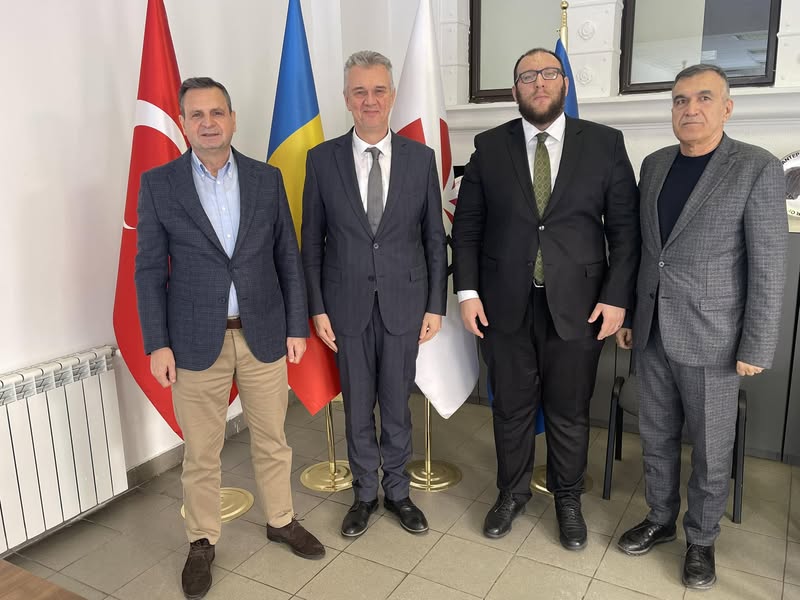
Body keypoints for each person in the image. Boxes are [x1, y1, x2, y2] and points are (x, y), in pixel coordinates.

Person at [135, 77, 324, 600]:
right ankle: (201, 540)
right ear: (182, 123)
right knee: (202, 451)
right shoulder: (160, 184)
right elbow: (148, 270)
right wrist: (157, 343)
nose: (208, 123)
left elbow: (287, 256)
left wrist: (296, 326)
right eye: (196, 115)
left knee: (273, 439)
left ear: (233, 118)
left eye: (217, 112)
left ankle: (281, 520)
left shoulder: (266, 179)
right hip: (193, 340)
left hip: (263, 332)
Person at [452, 48, 640, 550]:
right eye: (527, 76)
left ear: (564, 83)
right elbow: (468, 228)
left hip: (580, 306)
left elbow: (625, 232)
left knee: (569, 410)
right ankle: (511, 494)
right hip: (503, 305)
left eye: (549, 73)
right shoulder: (490, 146)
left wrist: (616, 298)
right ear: (515, 89)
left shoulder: (604, 144)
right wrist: (467, 292)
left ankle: (567, 499)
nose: (539, 82)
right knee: (510, 408)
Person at [615, 64, 787, 589]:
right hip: (652, 331)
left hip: (715, 338)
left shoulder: (755, 167)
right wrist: (631, 314)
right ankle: (660, 518)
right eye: (680, 100)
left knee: (712, 450)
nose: (690, 109)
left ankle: (702, 540)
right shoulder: (654, 165)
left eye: (703, 98)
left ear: (727, 108)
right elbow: (647, 250)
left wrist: (756, 343)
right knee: (656, 435)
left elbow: (768, 264)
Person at [301, 51, 447, 538]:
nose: (370, 100)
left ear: (392, 96)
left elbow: (433, 239)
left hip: (405, 304)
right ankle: (364, 494)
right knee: (358, 405)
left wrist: (435, 305)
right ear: (346, 98)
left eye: (378, 90)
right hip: (345, 308)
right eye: (359, 91)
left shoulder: (420, 159)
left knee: (397, 405)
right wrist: (317, 307)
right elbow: (311, 241)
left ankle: (398, 492)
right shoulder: (321, 160)